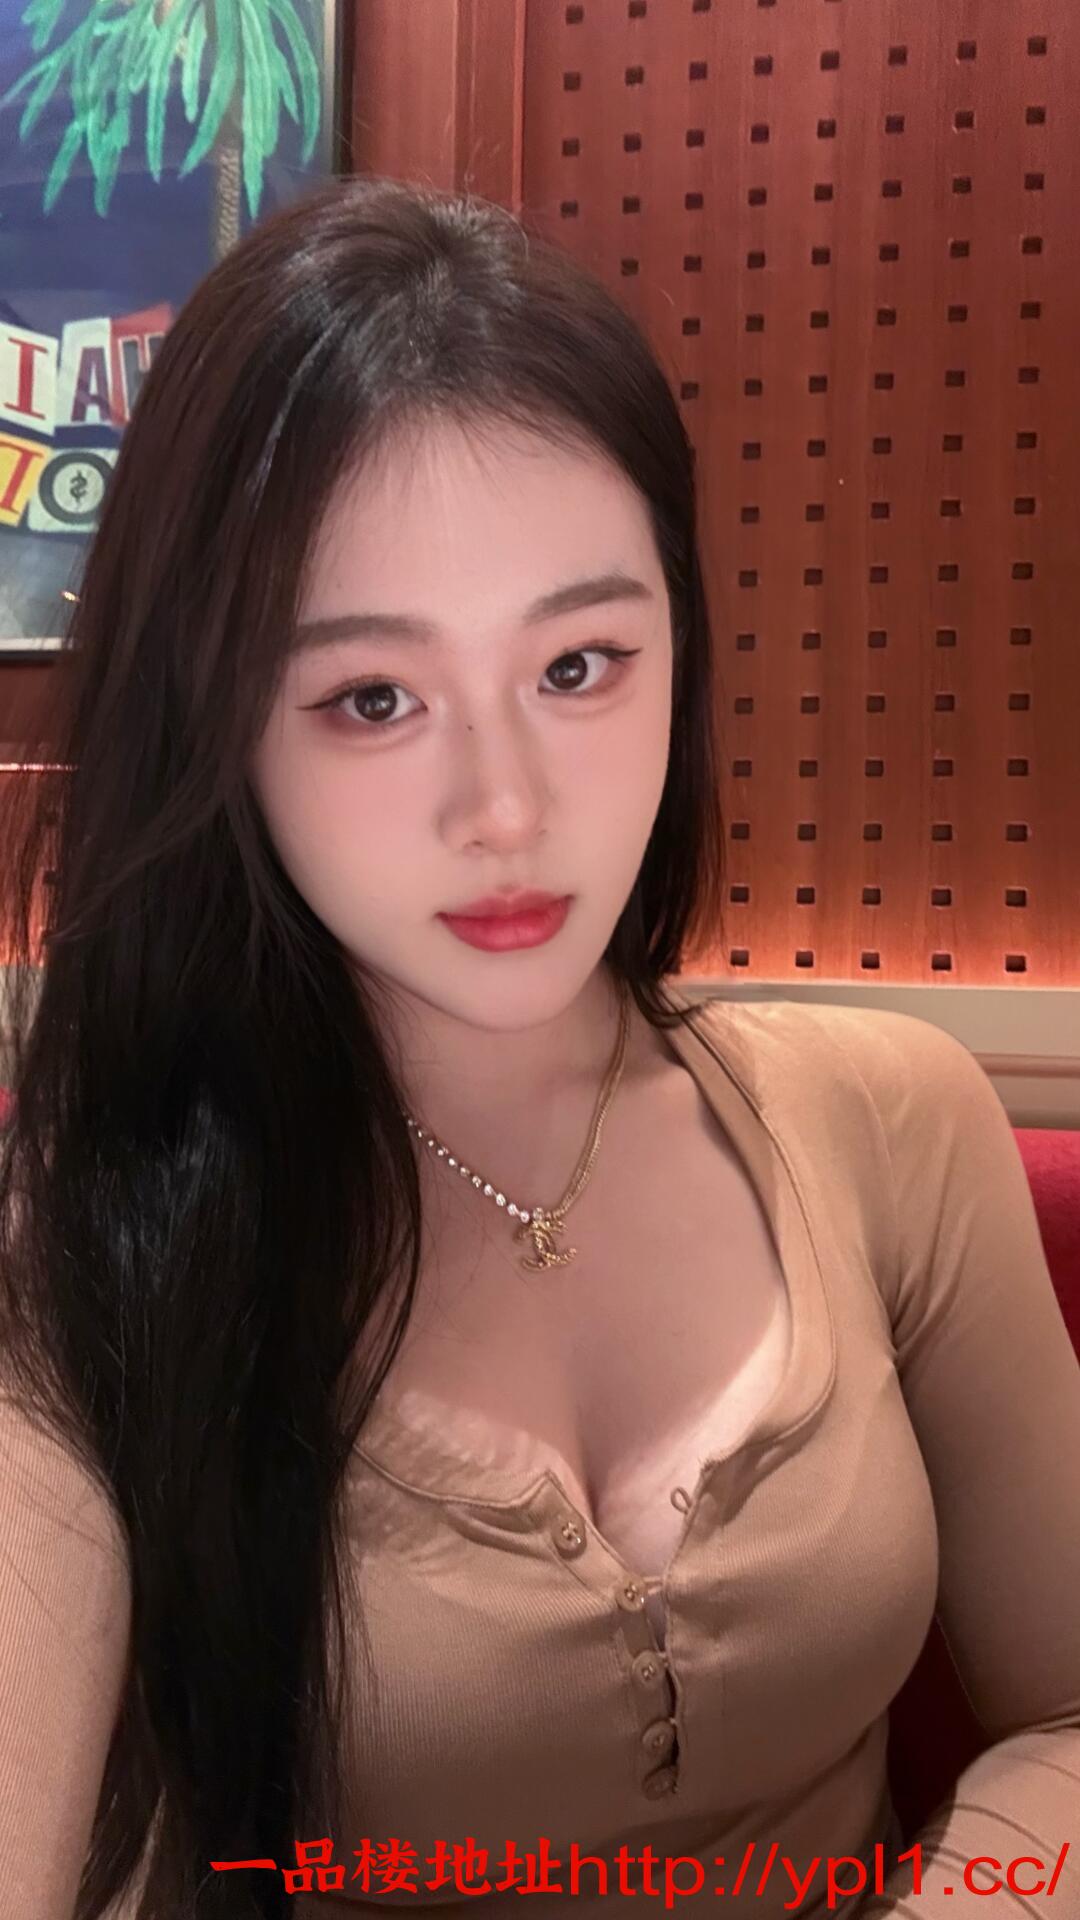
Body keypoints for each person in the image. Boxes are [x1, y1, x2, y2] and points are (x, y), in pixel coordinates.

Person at [0, 175, 1077, 1920]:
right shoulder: (77, 1234)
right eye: (371, 698)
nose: (505, 809)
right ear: (220, 726)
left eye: (580, 667)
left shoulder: (890, 1120)